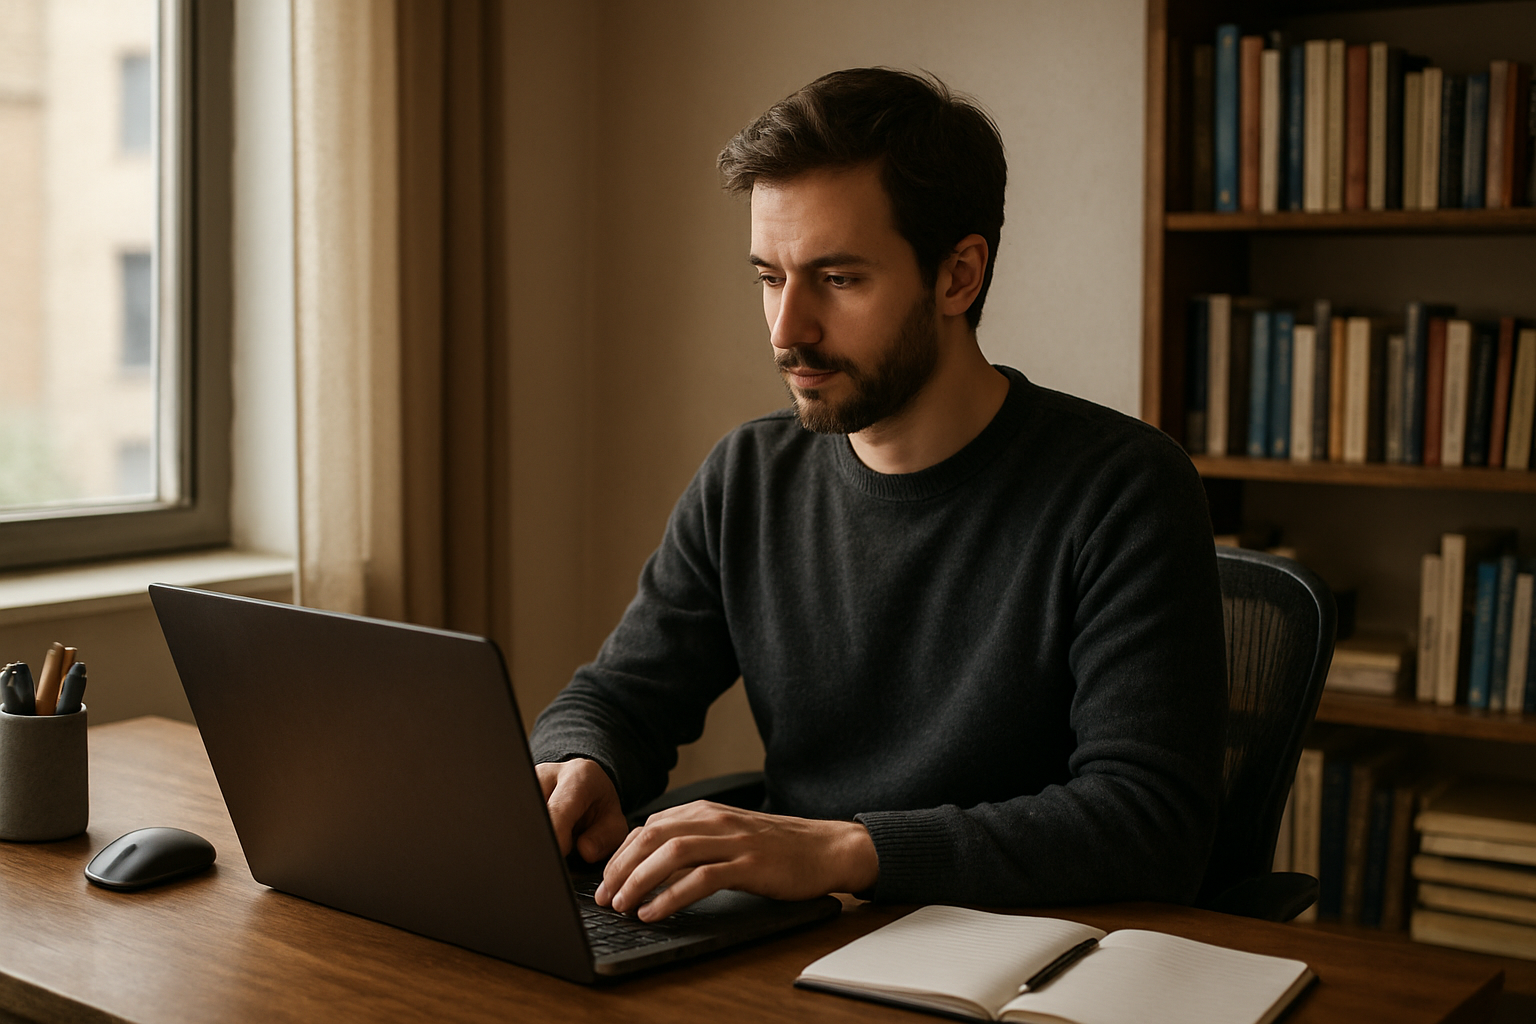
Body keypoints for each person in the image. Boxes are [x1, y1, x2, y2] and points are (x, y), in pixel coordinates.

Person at [531, 68, 1227, 923]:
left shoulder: (1122, 489)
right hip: (795, 945)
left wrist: (844, 849)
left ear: (958, 276)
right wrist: (578, 765)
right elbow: (619, 697)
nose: (789, 330)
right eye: (769, 278)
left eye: (838, 279)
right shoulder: (748, 475)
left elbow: (1150, 822)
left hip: (1022, 964)